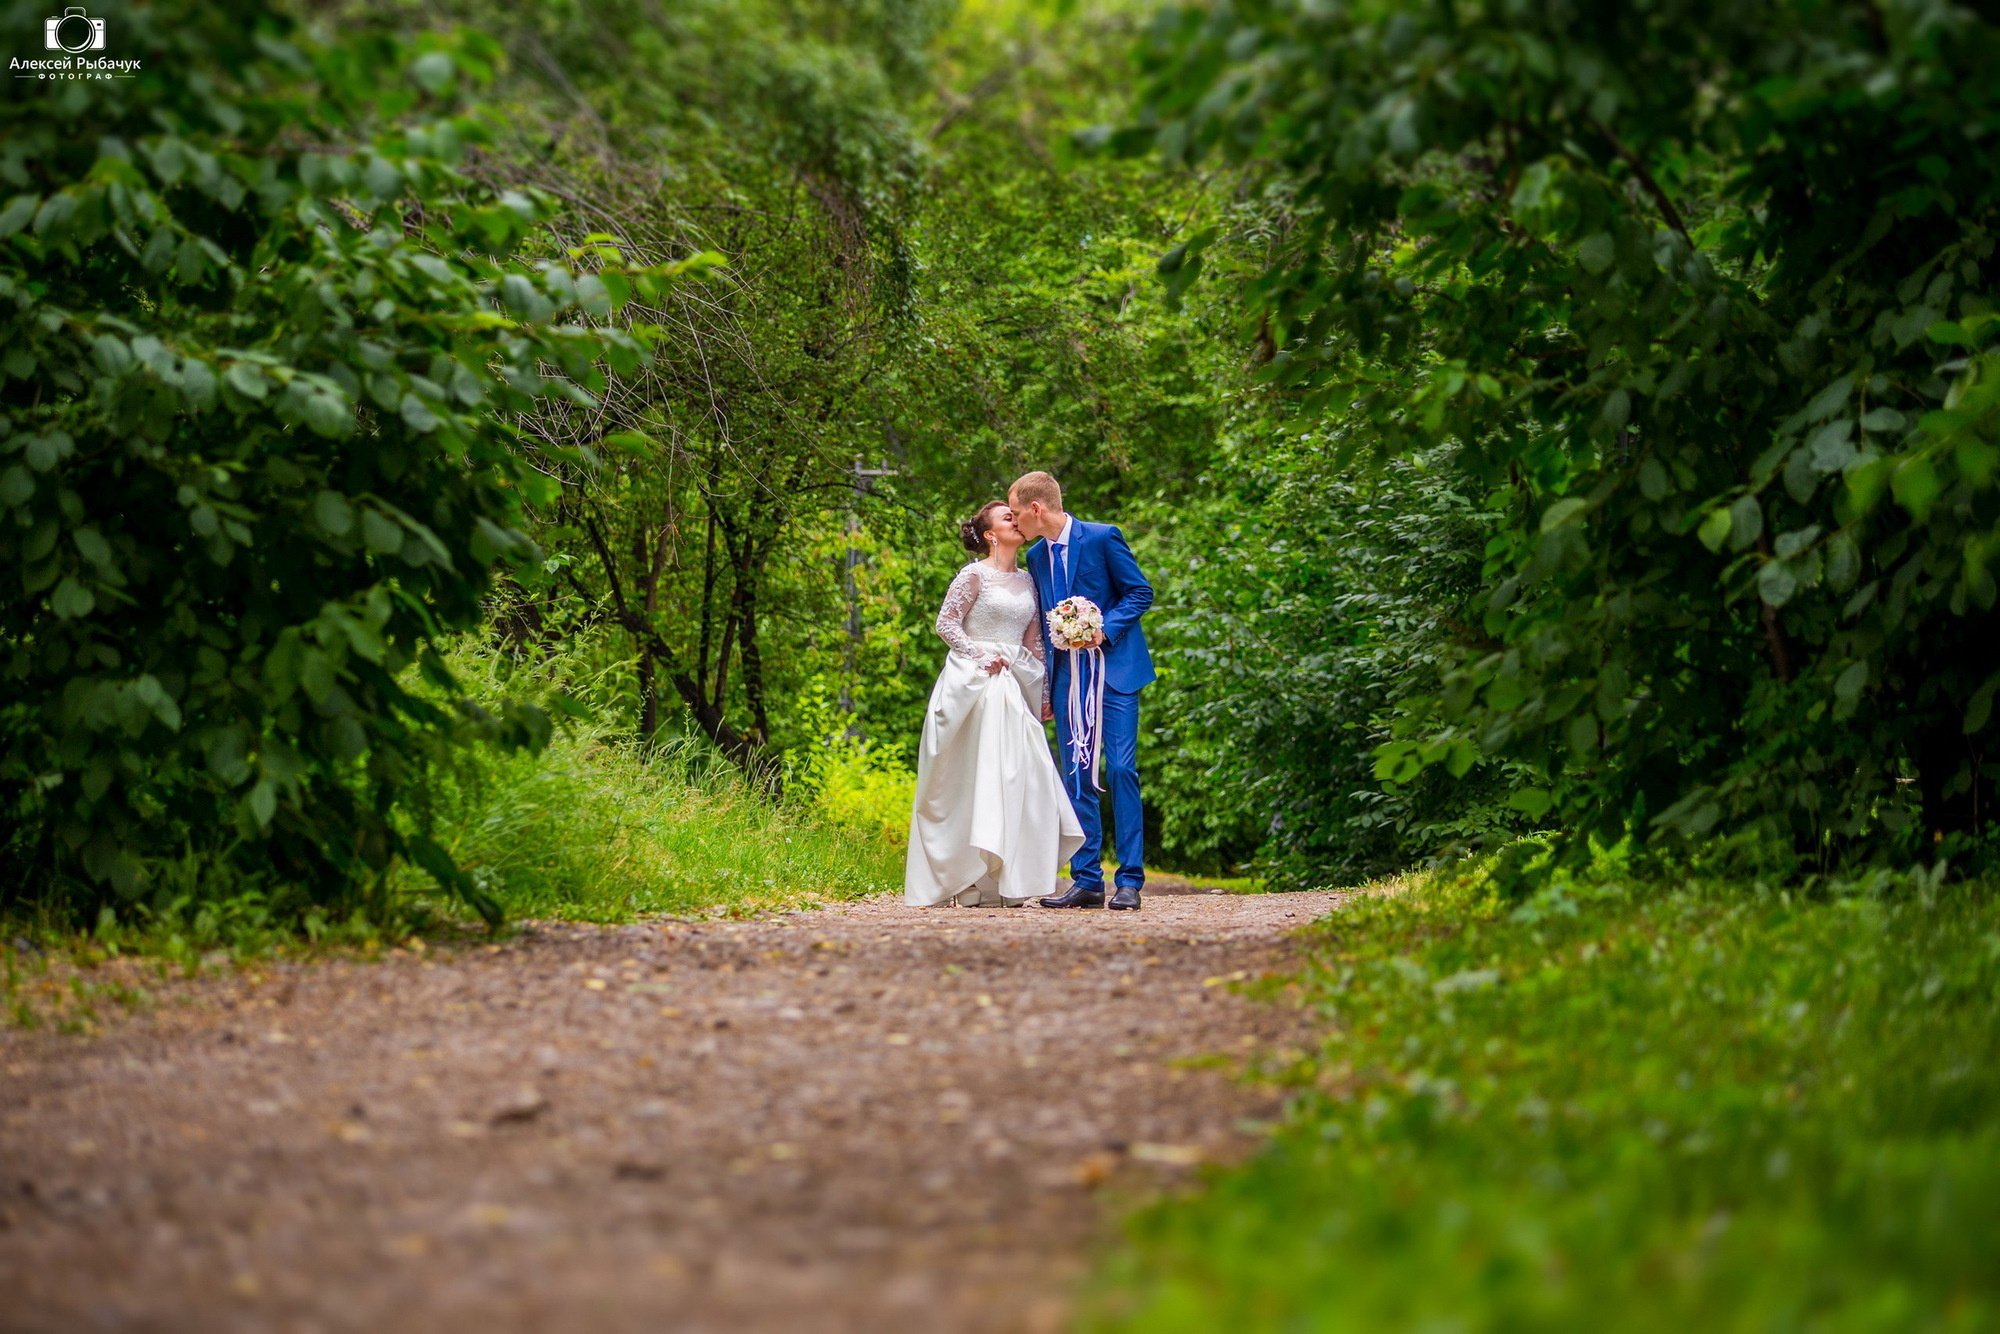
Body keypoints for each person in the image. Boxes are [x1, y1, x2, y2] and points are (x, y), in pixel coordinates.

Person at [903, 502, 1084, 907]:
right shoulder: (973, 575)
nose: (1016, 521)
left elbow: (1033, 642)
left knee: (1015, 775)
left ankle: (1005, 876)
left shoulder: (1028, 580)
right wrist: (980, 656)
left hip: (1013, 685)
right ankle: (960, 878)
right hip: (972, 681)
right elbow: (946, 624)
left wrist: (1041, 695)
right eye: (1007, 517)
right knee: (966, 776)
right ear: (989, 534)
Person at [1008, 471, 1154, 910]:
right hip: (1069, 680)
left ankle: (1129, 880)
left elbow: (1139, 592)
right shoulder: (1036, 557)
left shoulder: (1103, 537)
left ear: (1037, 509)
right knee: (1076, 774)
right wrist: (1050, 689)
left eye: (1016, 513)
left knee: (1121, 770)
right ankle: (1087, 879)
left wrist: (1102, 629)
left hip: (1116, 673)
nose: (1014, 522)